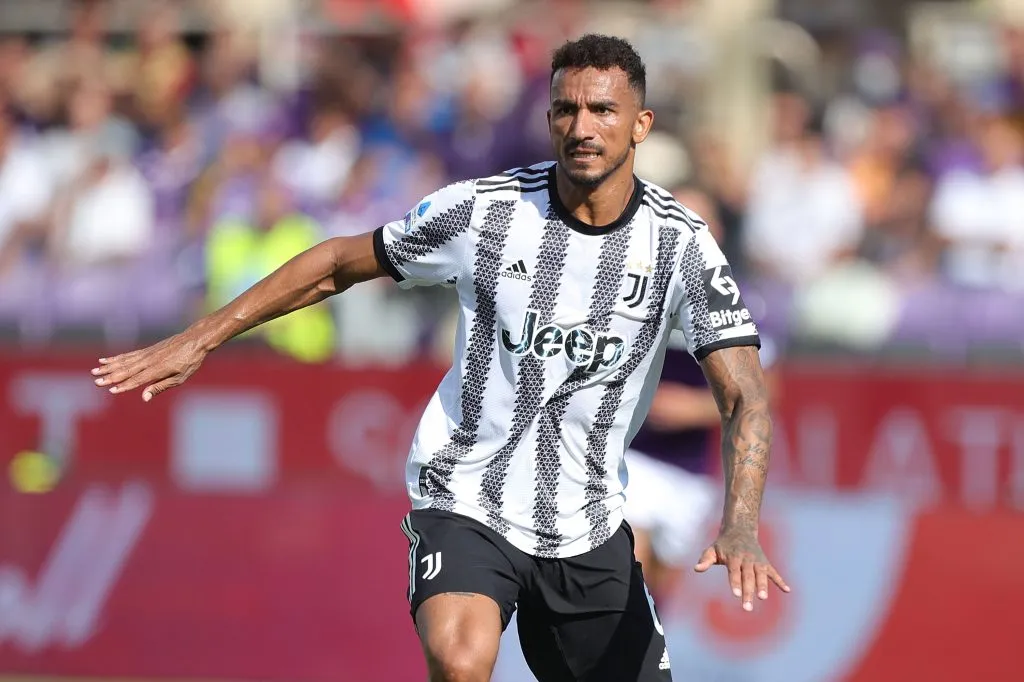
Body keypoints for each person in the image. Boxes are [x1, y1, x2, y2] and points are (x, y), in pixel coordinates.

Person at [92, 35, 789, 682]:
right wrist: (201, 337)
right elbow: (340, 262)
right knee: (461, 660)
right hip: (467, 497)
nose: (582, 127)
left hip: (587, 522)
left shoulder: (681, 246)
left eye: (603, 110)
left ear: (640, 125)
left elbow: (746, 395)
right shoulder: (486, 212)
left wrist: (740, 521)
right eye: (566, 109)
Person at [622, 185, 782, 606]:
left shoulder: (738, 301)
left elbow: (764, 390)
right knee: (626, 568)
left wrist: (692, 411)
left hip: (690, 470)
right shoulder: (629, 288)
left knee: (661, 588)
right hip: (629, 457)